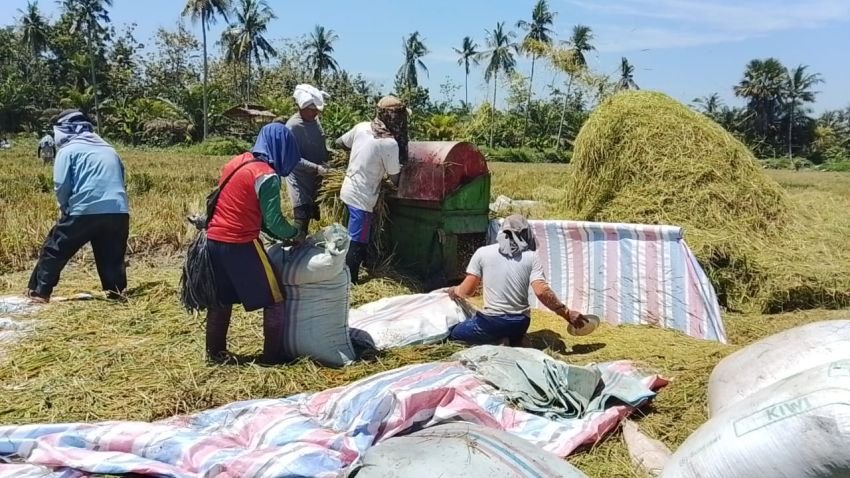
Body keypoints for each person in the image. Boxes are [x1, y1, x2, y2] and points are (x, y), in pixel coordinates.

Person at [204, 122, 304, 364]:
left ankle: (214, 353)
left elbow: (254, 215)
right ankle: (272, 357)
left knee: (221, 300)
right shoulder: (266, 175)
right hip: (240, 243)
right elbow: (274, 221)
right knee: (275, 299)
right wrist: (295, 233)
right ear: (282, 148)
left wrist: (280, 233)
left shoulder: (237, 162)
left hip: (214, 241)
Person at [27, 110, 129, 304]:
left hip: (84, 210)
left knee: (55, 249)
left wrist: (65, 208)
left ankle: (40, 292)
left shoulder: (68, 150)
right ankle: (116, 292)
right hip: (118, 211)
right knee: (111, 254)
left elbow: (61, 184)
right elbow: (121, 177)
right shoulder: (109, 149)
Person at [448, 215, 588, 346]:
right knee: (508, 333)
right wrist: (567, 313)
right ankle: (509, 339)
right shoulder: (532, 257)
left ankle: (497, 340)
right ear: (526, 234)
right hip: (519, 324)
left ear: (502, 232)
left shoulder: (482, 253)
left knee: (454, 333)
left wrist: (454, 291)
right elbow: (542, 291)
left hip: (490, 323)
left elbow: (466, 291)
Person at [335, 96, 408, 284]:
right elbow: (395, 177)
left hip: (347, 189)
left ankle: (343, 271)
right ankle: (349, 280)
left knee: (348, 235)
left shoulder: (361, 127)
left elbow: (340, 142)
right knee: (357, 240)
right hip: (362, 198)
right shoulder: (389, 143)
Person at [285, 84, 330, 235]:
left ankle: (303, 245)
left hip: (316, 178)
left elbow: (319, 143)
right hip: (300, 179)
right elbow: (292, 159)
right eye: (312, 110)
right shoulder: (293, 126)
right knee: (302, 217)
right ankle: (294, 250)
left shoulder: (315, 121)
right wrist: (316, 168)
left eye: (317, 110)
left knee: (311, 213)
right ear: (301, 107)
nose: (315, 113)